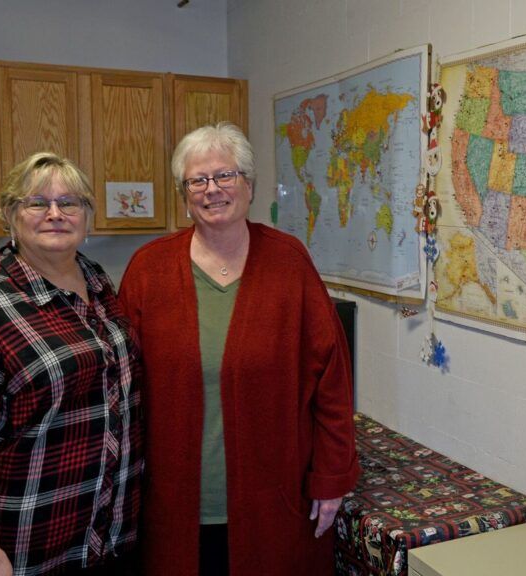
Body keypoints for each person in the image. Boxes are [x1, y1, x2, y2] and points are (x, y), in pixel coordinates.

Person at [119, 122, 359, 575]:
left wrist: (332, 479)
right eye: (198, 180)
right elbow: (120, 391)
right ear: (183, 193)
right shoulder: (148, 270)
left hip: (276, 502)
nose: (213, 190)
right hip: (175, 505)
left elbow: (332, 383)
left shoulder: (289, 262)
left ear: (248, 184)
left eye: (225, 176)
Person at [0, 153, 143, 576]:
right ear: (10, 215)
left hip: (99, 541)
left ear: (87, 216)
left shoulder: (100, 289)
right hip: (16, 549)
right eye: (37, 202)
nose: (55, 214)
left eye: (69, 203)